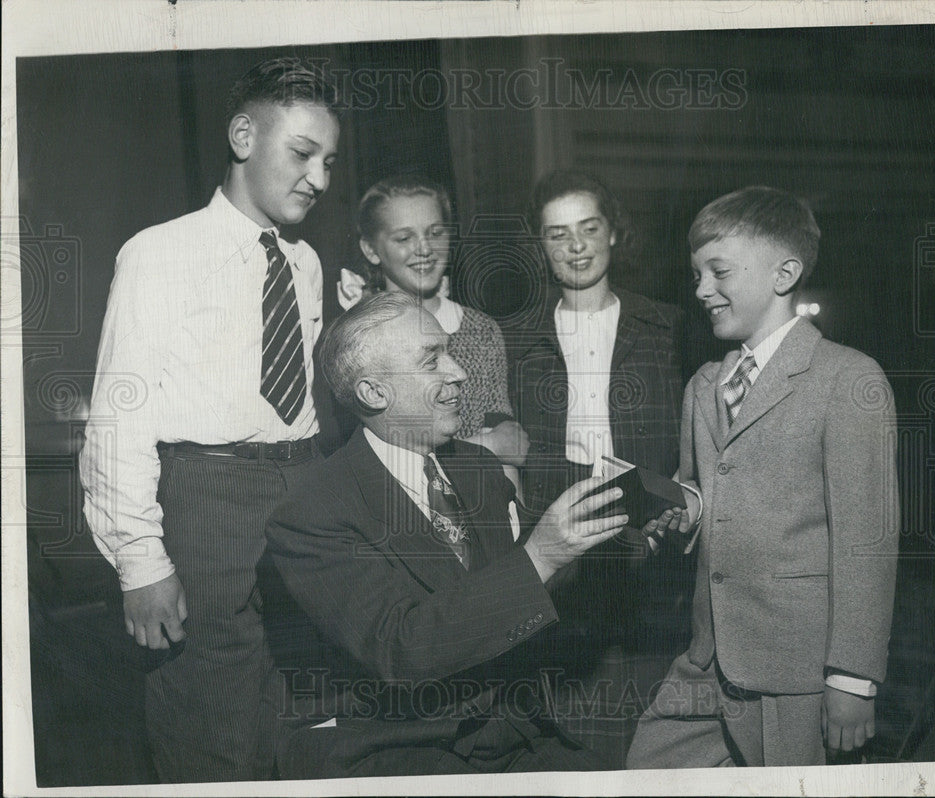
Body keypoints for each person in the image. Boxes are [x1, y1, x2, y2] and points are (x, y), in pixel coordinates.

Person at [264, 292, 681, 777]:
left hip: (513, 733)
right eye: (431, 360)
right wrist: (541, 554)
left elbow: (534, 584)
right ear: (374, 393)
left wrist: (628, 538)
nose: (458, 372)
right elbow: (402, 648)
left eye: (449, 351)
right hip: (397, 750)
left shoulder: (477, 467)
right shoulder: (312, 513)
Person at [79, 57, 341, 782]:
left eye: (329, 161)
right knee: (212, 731)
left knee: (300, 723)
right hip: (205, 502)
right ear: (242, 135)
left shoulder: (308, 264)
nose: (319, 178)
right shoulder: (159, 254)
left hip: (303, 492)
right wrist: (141, 561)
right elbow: (118, 417)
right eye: (301, 154)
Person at [626, 186, 900, 768]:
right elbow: (702, 494)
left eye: (718, 271)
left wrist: (852, 677)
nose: (701, 289)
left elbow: (866, 542)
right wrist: (683, 515)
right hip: (707, 659)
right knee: (646, 768)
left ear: (785, 273)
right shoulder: (703, 385)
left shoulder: (848, 378)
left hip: (798, 671)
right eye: (696, 274)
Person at [507, 170, 689, 762]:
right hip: (558, 528)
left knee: (650, 691)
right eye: (558, 235)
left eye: (589, 229)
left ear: (614, 234)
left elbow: (697, 434)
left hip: (646, 528)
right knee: (568, 702)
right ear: (542, 247)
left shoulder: (666, 327)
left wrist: (674, 502)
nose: (576, 246)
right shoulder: (520, 337)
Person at [326, 175, 527, 479]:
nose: (425, 249)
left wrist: (512, 523)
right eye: (404, 238)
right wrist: (486, 444)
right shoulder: (360, 337)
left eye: (435, 232)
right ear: (370, 249)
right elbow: (371, 458)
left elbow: (510, 447)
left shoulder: (481, 330)